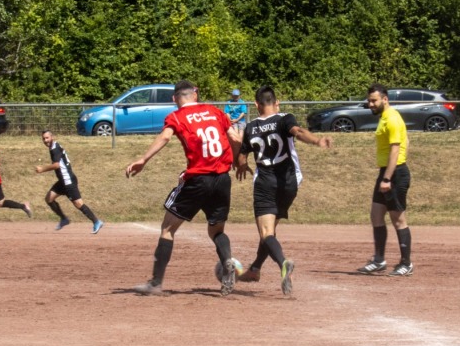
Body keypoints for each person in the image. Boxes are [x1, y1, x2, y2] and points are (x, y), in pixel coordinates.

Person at [126, 80, 243, 296]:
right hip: (222, 179)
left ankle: (155, 283)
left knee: (168, 229)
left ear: (174, 99)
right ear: (195, 94)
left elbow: (165, 137)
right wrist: (238, 160)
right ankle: (227, 261)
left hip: (198, 180)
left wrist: (143, 159)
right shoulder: (215, 111)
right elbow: (235, 137)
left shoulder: (176, 116)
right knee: (217, 230)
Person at [235, 85, 332, 295]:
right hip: (289, 182)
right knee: (270, 231)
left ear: (256, 104)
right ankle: (255, 269)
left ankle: (283, 263)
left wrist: (242, 165)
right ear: (276, 103)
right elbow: (297, 132)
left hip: (265, 182)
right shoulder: (284, 118)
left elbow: (241, 156)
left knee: (266, 232)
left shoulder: (250, 127)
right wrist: (317, 140)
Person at [356, 83, 413, 276]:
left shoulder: (392, 119)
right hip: (387, 172)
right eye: (369, 100)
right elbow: (406, 141)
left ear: (385, 99)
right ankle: (379, 260)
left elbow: (396, 149)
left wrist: (388, 178)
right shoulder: (385, 117)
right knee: (376, 215)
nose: (370, 104)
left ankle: (406, 263)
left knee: (398, 219)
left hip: (394, 174)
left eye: (374, 100)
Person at [35, 130, 104, 234]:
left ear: (52, 137)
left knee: (78, 204)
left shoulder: (55, 149)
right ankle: (64, 219)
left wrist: (42, 169)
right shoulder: (54, 145)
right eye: (43, 139)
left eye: (47, 138)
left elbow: (56, 165)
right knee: (49, 198)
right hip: (63, 181)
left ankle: (96, 221)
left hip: (68, 181)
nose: (45, 140)